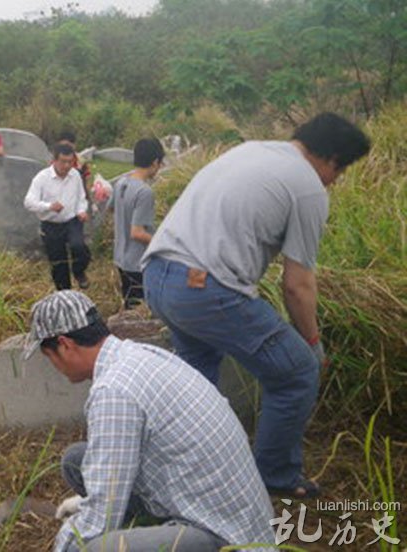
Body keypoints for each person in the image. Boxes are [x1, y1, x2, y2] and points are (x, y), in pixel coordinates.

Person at [142, 112, 371, 498]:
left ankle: (189, 467)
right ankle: (274, 477)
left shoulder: (251, 151)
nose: (336, 180)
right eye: (341, 170)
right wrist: (313, 344)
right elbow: (298, 286)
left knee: (198, 381)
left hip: (157, 276)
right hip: (203, 291)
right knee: (297, 371)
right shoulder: (307, 186)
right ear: (332, 159)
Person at [22, 290, 275, 552]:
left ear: (64, 344)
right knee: (76, 460)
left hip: (225, 535)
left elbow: (101, 514)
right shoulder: (137, 355)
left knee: (90, 548)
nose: (54, 366)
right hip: (224, 508)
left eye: (48, 356)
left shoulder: (114, 391)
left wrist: (65, 543)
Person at [24, 143, 91, 290]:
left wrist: (81, 210)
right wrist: (49, 206)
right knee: (58, 263)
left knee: (79, 246)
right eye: (63, 162)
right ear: (54, 160)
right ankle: (65, 292)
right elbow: (28, 202)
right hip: (51, 224)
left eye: (70, 162)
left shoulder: (75, 175)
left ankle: (79, 271)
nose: (67, 166)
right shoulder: (42, 178)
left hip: (72, 220)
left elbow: (81, 197)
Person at [108, 138, 164, 309]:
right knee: (138, 311)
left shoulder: (121, 183)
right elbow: (137, 233)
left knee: (128, 304)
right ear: (155, 162)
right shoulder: (144, 192)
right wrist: (161, 241)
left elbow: (111, 209)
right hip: (137, 262)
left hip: (120, 257)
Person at [56, 130, 93, 201]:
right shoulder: (54, 162)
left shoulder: (80, 161)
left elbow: (87, 180)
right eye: (63, 146)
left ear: (74, 146)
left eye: (68, 146)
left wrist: (90, 200)